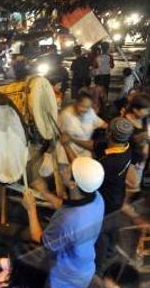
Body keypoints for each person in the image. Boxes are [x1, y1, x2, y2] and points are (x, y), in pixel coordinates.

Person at [62, 118, 134, 275]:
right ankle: (111, 250)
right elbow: (95, 145)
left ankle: (98, 269)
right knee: (112, 227)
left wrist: (66, 144)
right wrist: (72, 139)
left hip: (106, 203)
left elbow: (82, 172)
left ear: (109, 133)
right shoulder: (125, 147)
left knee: (100, 237)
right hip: (117, 196)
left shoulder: (111, 162)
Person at [22, 157, 105, 288]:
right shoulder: (97, 198)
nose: (65, 168)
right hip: (86, 267)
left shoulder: (68, 220)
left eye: (69, 169)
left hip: (65, 278)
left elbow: (39, 239)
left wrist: (30, 209)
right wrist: (45, 193)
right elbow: (69, 204)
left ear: (73, 184)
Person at [58, 91, 107, 159]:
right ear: (76, 103)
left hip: (84, 152)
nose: (85, 110)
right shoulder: (65, 115)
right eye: (83, 106)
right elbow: (57, 134)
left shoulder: (90, 112)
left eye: (88, 107)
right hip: (67, 153)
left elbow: (101, 123)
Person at [121, 93, 150, 195]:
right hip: (131, 161)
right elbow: (124, 142)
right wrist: (140, 137)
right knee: (132, 186)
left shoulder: (144, 119)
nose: (148, 112)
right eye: (146, 110)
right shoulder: (125, 122)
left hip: (141, 161)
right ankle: (124, 205)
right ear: (135, 110)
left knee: (135, 185)